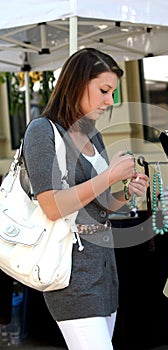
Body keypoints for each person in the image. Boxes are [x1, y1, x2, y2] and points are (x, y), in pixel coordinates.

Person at [22, 48, 149, 350]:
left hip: (104, 269)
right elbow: (52, 207)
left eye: (113, 93)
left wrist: (124, 192)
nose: (110, 101)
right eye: (104, 90)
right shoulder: (42, 132)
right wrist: (108, 175)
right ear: (78, 83)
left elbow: (99, 206)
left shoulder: (94, 136)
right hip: (71, 274)